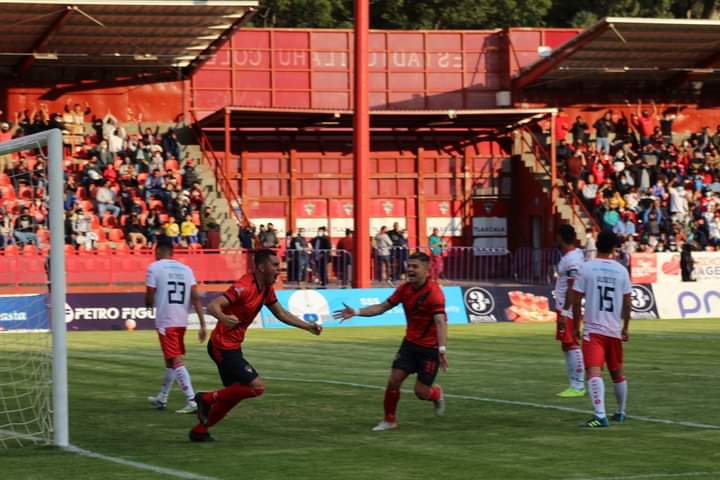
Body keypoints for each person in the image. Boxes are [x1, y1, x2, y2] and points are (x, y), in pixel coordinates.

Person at [189, 249, 322, 442]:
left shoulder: (266, 288)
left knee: (233, 395)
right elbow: (213, 306)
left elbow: (281, 314)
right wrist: (224, 318)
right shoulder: (244, 286)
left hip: (233, 346)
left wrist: (307, 326)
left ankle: (200, 430)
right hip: (222, 346)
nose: (279, 269)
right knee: (256, 387)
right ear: (261, 267)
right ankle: (206, 398)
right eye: (275, 265)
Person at [332, 252, 447, 431]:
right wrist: (356, 311)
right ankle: (389, 420)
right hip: (409, 344)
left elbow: (440, 322)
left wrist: (441, 349)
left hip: (429, 349)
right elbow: (382, 307)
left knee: (421, 393)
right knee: (394, 380)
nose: (410, 270)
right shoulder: (404, 289)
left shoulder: (434, 294)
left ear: (427, 269)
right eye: (409, 266)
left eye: (415, 266)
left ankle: (436, 393)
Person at [570, 231, 631, 428]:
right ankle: (620, 412)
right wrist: (626, 328)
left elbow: (576, 299)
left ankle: (600, 416)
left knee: (594, 372)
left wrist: (576, 325)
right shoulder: (622, 270)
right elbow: (628, 302)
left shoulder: (586, 268)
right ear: (614, 247)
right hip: (613, 329)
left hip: (594, 329)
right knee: (617, 373)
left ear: (596, 244)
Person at [145, 239, 207, 414]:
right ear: (172, 253)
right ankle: (162, 397)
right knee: (170, 360)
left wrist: (148, 305)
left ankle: (192, 400)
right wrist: (202, 324)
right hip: (181, 320)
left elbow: (149, 294)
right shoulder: (186, 270)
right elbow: (195, 297)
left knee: (175, 360)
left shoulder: (154, 267)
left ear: (157, 252)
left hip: (166, 320)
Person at [554, 225, 586, 398]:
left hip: (569, 308)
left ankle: (579, 384)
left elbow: (572, 287)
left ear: (560, 237)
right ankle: (573, 383)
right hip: (565, 306)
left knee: (572, 344)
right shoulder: (572, 256)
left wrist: (566, 312)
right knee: (566, 344)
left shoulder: (572, 259)